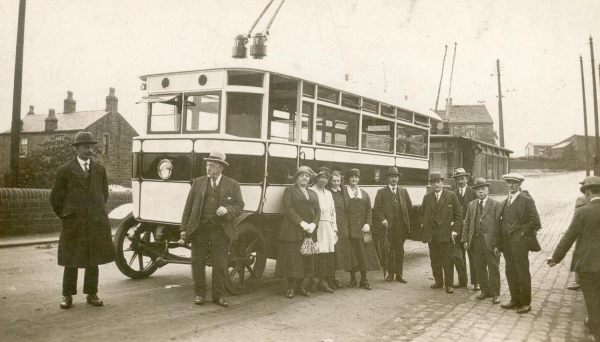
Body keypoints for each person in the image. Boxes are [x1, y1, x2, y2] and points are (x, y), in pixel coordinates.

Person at [49, 131, 115, 309]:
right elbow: (55, 197)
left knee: (93, 260)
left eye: (92, 146)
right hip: (74, 223)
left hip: (95, 222)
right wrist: (66, 215)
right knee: (72, 260)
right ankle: (67, 296)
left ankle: (92, 294)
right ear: (77, 148)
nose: (90, 149)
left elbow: (104, 194)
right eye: (86, 146)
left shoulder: (100, 170)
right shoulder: (64, 170)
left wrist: (95, 211)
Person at [180, 151, 244, 308]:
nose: (208, 169)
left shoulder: (232, 184)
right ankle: (199, 294)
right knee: (197, 262)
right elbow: (188, 207)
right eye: (207, 165)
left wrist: (227, 210)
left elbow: (239, 206)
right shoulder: (198, 182)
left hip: (221, 230)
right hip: (199, 229)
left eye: (212, 166)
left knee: (220, 264)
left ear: (221, 168)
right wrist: (184, 229)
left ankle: (219, 296)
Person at [547, 176, 600, 341]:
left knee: (591, 298)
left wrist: (555, 258)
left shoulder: (583, 212)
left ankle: (595, 332)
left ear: (588, 192)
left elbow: (569, 237)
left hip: (587, 264)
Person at [274, 166, 320, 299]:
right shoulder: (290, 190)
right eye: (301, 175)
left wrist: (313, 224)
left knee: (306, 259)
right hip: (292, 229)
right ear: (297, 178)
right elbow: (288, 209)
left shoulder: (313, 193)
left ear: (309, 178)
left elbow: (318, 211)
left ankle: (301, 286)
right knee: (293, 259)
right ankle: (291, 287)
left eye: (307, 176)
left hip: (309, 231)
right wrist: (301, 223)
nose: (304, 178)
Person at [499, 173, 541, 314]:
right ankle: (515, 300)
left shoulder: (526, 200)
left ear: (519, 184)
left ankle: (525, 303)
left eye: (514, 183)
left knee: (522, 271)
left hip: (520, 242)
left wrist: (521, 232)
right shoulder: (505, 201)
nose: (511, 185)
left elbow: (534, 221)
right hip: (507, 242)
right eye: (509, 183)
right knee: (510, 270)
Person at [420, 172, 463, 294]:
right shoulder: (427, 198)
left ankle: (449, 284)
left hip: (446, 234)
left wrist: (455, 230)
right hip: (432, 235)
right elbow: (422, 214)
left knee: (447, 260)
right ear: (431, 185)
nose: (436, 185)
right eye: (433, 183)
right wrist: (424, 224)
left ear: (442, 183)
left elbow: (459, 215)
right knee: (435, 259)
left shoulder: (451, 195)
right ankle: (438, 281)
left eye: (438, 182)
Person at [461, 178, 502, 304]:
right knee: (479, 267)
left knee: (493, 267)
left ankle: (495, 293)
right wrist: (465, 240)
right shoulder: (472, 205)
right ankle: (485, 291)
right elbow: (467, 223)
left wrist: (498, 244)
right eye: (478, 190)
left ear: (488, 190)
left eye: (483, 189)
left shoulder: (496, 204)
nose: (481, 192)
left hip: (490, 242)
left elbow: (500, 226)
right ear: (475, 192)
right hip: (476, 240)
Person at [373, 166, 412, 283]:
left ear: (398, 179)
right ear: (388, 179)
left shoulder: (403, 191)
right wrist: (383, 219)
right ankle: (390, 273)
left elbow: (409, 207)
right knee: (389, 251)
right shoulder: (381, 192)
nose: (394, 179)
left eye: (395, 177)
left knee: (400, 250)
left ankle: (399, 274)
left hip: (400, 227)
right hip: (388, 227)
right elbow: (376, 209)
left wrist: (404, 219)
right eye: (391, 177)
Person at [345, 169, 381, 289]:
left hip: (363, 229)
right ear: (348, 179)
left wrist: (368, 223)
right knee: (352, 255)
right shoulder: (344, 193)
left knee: (364, 255)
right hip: (350, 229)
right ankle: (353, 279)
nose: (354, 179)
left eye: (356, 177)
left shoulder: (364, 193)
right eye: (352, 177)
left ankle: (364, 280)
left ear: (359, 179)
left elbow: (369, 210)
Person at [310, 167, 338, 293]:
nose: (324, 180)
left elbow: (333, 212)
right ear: (317, 178)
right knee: (314, 253)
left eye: (326, 178)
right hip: (315, 225)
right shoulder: (311, 191)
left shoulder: (329, 193)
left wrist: (334, 228)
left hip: (327, 226)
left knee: (326, 254)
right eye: (322, 177)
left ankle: (323, 282)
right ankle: (311, 282)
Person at [328, 170, 356, 289]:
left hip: (343, 226)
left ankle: (353, 277)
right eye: (333, 181)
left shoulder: (342, 192)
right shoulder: (328, 193)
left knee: (347, 252)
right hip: (332, 226)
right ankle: (332, 279)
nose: (336, 183)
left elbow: (347, 210)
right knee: (333, 253)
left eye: (338, 181)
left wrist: (347, 226)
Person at [452, 168, 479, 291]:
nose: (460, 181)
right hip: (458, 229)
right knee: (459, 256)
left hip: (470, 230)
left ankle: (476, 282)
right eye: (458, 179)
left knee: (473, 256)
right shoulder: (453, 194)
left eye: (462, 178)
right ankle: (462, 281)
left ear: (467, 179)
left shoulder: (473, 193)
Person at [566, 196, 588, 291]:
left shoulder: (583, 199)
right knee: (580, 254)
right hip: (583, 232)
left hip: (587, 232)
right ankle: (578, 281)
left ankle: (579, 281)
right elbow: (577, 216)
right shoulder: (582, 199)